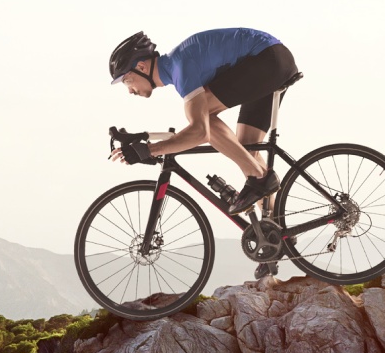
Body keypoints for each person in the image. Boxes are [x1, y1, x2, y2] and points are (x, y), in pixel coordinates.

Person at [106, 28, 301, 222]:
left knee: (203, 115)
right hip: (271, 59)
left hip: (266, 58)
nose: (130, 91)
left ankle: (259, 178)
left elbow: (200, 132)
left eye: (127, 81)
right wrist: (144, 139)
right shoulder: (177, 66)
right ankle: (277, 227)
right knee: (246, 148)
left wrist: (149, 150)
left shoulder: (181, 67)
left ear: (141, 67)